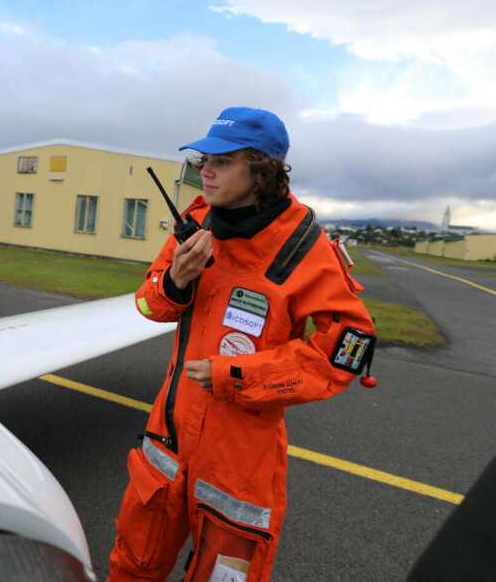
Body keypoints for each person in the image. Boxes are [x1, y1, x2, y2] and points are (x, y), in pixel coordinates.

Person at [108, 107, 377, 582]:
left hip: (241, 460)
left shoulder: (305, 247)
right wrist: (174, 280)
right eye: (203, 159)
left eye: (223, 161)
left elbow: (347, 352)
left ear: (264, 171)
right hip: (166, 437)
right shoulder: (193, 222)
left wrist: (236, 375)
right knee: (132, 566)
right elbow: (149, 306)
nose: (205, 171)